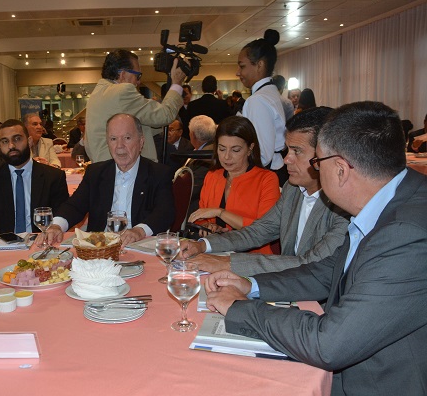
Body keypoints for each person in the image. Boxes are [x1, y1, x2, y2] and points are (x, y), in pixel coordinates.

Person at [204, 101, 427, 395]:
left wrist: (240, 308)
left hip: (372, 382)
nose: (315, 171)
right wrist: (251, 285)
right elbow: (327, 271)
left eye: (317, 163)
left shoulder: (405, 233)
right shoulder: (388, 201)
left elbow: (328, 344)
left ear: (341, 170)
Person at [181, 107, 350, 276]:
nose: (286, 159)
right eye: (288, 150)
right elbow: (258, 231)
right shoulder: (293, 190)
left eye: (296, 151)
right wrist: (203, 245)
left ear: (324, 155)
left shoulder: (344, 206)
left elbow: (312, 264)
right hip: (284, 281)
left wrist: (227, 263)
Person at [42, 114, 175, 247]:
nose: (120, 146)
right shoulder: (95, 172)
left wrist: (140, 231)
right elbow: (75, 206)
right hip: (100, 248)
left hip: (139, 245)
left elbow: (165, 212)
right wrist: (57, 225)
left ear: (141, 142)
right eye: (113, 139)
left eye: (127, 138)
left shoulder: (158, 173)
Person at [188, 116, 280, 255]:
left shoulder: (266, 179)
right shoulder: (213, 176)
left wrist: (220, 212)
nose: (227, 157)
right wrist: (208, 226)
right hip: (214, 252)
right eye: (222, 149)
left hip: (252, 256)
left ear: (250, 148)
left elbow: (264, 229)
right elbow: (202, 217)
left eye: (235, 150)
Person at [85, 49, 186, 163]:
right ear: (123, 74)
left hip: (105, 166)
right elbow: (165, 115)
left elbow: (142, 127)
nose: (138, 82)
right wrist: (177, 83)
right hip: (123, 168)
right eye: (138, 76)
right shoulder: (122, 91)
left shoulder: (98, 92)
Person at [0, 119, 69, 237]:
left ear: (29, 141)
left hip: (43, 241)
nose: (11, 146)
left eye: (17, 139)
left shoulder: (53, 177)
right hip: (4, 244)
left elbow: (60, 218)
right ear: (0, 145)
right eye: (5, 141)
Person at [236, 29, 288, 186]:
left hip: (267, 174)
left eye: (242, 66)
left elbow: (263, 155)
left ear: (259, 65)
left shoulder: (257, 100)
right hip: (276, 170)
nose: (238, 72)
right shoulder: (270, 92)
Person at [186, 115, 217, 215]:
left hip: (197, 208)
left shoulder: (206, 156)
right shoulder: (205, 150)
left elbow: (193, 188)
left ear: (193, 135)